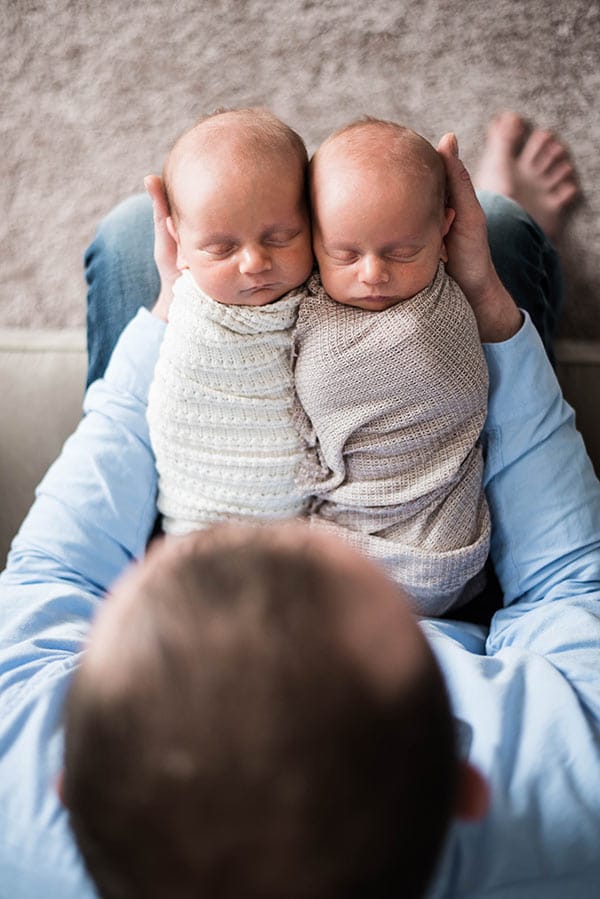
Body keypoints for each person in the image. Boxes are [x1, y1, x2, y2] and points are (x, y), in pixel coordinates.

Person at [2, 113, 598, 899]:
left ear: (64, 792)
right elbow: (570, 582)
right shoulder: (569, 794)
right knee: (507, 233)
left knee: (131, 242)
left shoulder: (18, 814)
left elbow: (52, 568)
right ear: (471, 790)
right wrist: (485, 297)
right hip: (433, 558)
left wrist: (175, 307)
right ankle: (520, 231)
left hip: (201, 496)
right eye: (325, 577)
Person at [294, 119, 490, 615]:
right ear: (311, 240)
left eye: (403, 253)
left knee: (507, 229)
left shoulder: (433, 323)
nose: (374, 275)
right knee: (512, 223)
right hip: (410, 566)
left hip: (431, 553)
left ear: (446, 234)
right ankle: (513, 202)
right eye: (343, 253)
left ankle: (515, 207)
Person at [146, 107, 314, 534]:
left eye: (280, 237)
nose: (255, 262)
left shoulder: (340, 290)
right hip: (199, 524)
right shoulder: (189, 310)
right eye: (221, 248)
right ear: (178, 247)